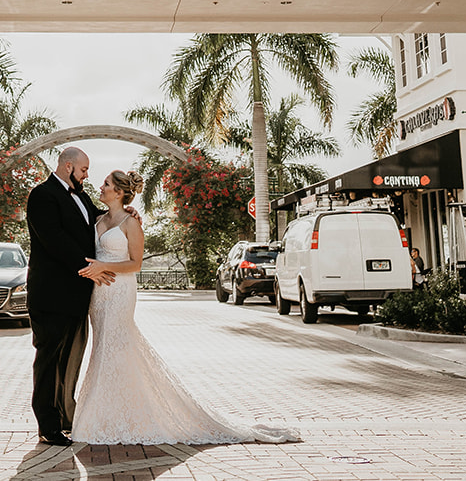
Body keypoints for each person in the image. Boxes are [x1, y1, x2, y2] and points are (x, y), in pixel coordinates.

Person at [70, 168, 300, 446]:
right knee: (103, 349)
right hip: (99, 295)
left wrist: (104, 266)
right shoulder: (97, 219)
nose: (101, 187)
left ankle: (127, 416)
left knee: (116, 347)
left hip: (120, 292)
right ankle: (107, 414)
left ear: (119, 192)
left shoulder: (131, 224)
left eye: (106, 184)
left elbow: (136, 265)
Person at [25, 146, 115, 446]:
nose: (87, 175)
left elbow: (91, 221)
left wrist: (121, 213)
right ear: (67, 166)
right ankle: (47, 426)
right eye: (84, 169)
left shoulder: (82, 197)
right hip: (51, 295)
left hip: (78, 296)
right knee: (50, 360)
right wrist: (91, 269)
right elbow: (55, 240)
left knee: (70, 360)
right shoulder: (42, 195)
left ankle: (65, 418)